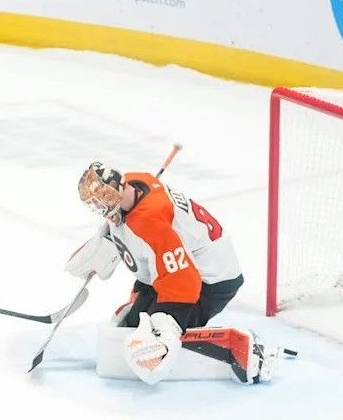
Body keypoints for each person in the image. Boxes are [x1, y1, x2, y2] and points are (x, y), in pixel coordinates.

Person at [66, 162, 273, 384]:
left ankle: (239, 350)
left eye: (103, 199)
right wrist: (111, 237)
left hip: (211, 279)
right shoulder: (135, 182)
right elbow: (151, 246)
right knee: (127, 326)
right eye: (96, 203)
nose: (100, 206)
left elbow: (182, 279)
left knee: (150, 345)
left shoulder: (150, 220)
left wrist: (166, 325)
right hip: (177, 265)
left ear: (117, 188)